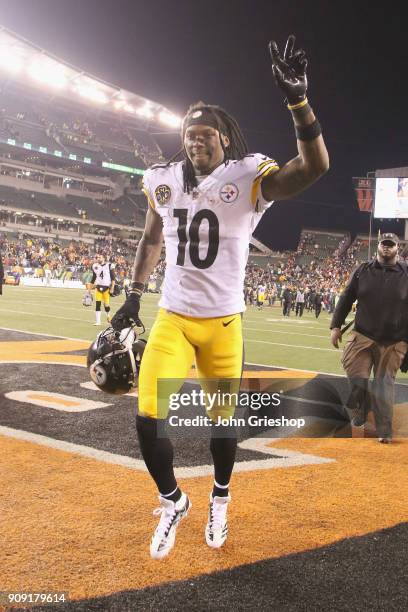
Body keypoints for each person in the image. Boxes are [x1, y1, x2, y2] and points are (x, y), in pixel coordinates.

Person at [112, 34, 329, 559]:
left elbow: (314, 167)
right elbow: (150, 239)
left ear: (224, 140)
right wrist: (132, 297)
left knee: (222, 425)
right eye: (189, 136)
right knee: (146, 415)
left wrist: (299, 103)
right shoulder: (162, 180)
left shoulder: (248, 175)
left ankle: (220, 497)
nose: (195, 143)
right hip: (173, 318)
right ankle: (172, 501)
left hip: (224, 325)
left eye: (205, 135)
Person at [330, 233, 408, 443]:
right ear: (378, 246)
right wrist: (336, 326)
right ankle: (362, 409)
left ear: (397, 249)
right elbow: (346, 298)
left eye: (391, 245)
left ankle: (384, 431)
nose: (387, 248)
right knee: (356, 374)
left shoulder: (407, 274)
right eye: (384, 244)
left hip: (394, 340)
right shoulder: (362, 270)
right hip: (363, 334)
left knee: (384, 385)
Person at [86, 254, 116, 326]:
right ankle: (98, 321)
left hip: (106, 288)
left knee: (106, 305)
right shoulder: (95, 266)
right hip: (98, 287)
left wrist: (112, 288)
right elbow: (93, 279)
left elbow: (113, 278)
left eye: (100, 257)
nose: (98, 258)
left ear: (104, 258)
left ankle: (108, 316)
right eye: (97, 257)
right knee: (97, 304)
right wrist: (89, 289)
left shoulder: (109, 265)